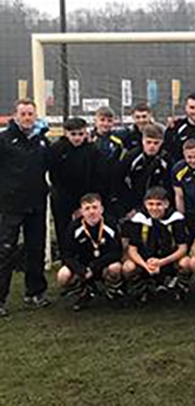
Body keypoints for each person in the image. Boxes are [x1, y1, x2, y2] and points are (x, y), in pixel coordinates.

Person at [0, 99, 51, 316]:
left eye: (31, 114)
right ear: (16, 115)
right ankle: (0, 299)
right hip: (10, 205)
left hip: (37, 204)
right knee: (5, 250)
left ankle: (35, 292)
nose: (27, 117)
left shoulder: (42, 141)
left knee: (36, 249)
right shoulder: (4, 139)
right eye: (23, 114)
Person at [121, 187, 190, 303]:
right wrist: (145, 265)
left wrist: (162, 262)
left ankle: (180, 289)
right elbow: (132, 250)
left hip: (169, 260)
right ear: (145, 204)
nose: (154, 208)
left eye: (159, 204)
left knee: (188, 262)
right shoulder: (138, 219)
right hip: (146, 261)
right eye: (150, 204)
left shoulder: (176, 218)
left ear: (166, 204)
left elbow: (183, 248)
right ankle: (142, 290)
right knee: (128, 267)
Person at [57, 194, 123, 311]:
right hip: (82, 267)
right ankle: (84, 292)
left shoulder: (111, 224)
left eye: (95, 207)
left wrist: (95, 267)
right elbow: (67, 254)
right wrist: (81, 270)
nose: (91, 212)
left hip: (103, 265)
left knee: (116, 268)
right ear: (81, 211)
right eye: (87, 208)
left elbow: (116, 252)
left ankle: (112, 291)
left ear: (101, 209)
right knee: (63, 276)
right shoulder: (74, 227)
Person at [50, 117, 107, 249]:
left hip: (86, 197)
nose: (77, 138)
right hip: (62, 197)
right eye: (73, 134)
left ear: (86, 133)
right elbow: (55, 178)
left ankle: (85, 259)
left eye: (80, 134)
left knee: (87, 229)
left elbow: (98, 177)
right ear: (65, 133)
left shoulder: (92, 150)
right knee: (63, 230)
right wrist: (69, 203)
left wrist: (83, 205)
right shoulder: (57, 149)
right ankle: (66, 259)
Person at [117, 123, 173, 217]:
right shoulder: (131, 157)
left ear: (162, 142)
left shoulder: (166, 160)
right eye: (148, 142)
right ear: (142, 141)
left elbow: (169, 186)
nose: (152, 146)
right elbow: (120, 182)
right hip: (133, 204)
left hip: (157, 206)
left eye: (156, 143)